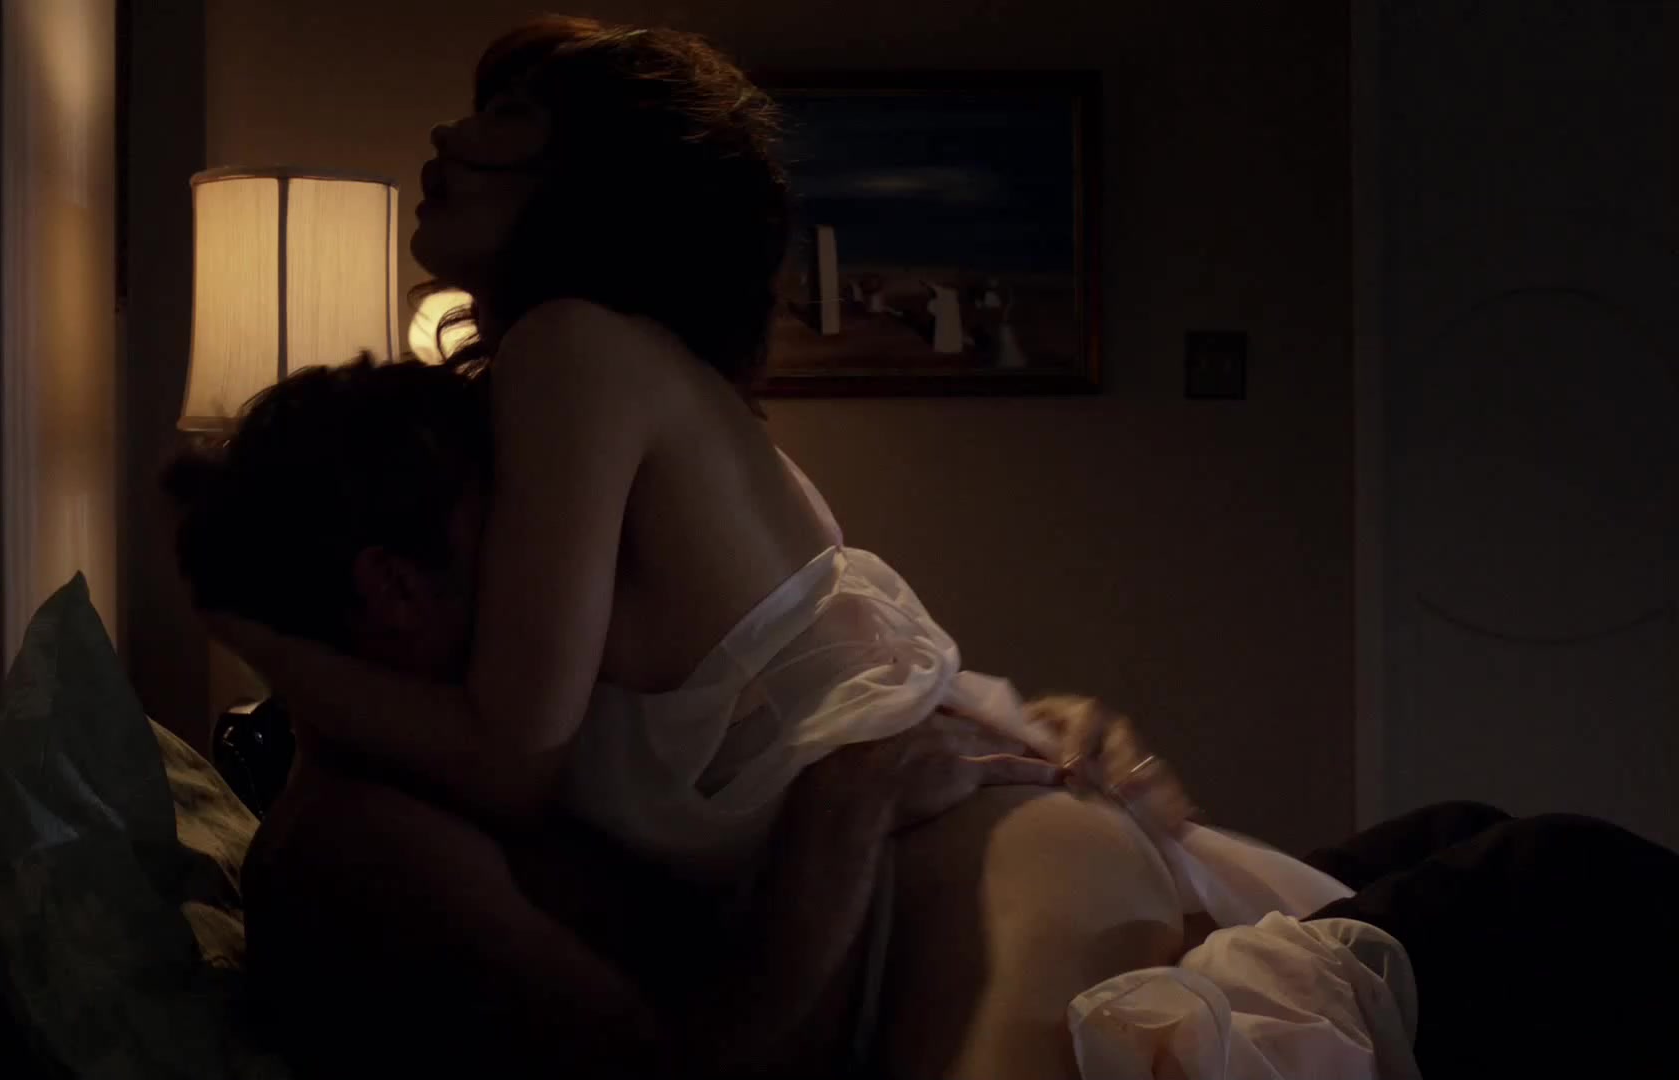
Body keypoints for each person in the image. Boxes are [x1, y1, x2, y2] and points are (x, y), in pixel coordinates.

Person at [173, 358, 1679, 1080]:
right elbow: (684, 1072)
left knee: (1467, 841)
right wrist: (841, 830)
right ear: (391, 588)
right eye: (509, 538)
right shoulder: (369, 845)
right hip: (984, 1026)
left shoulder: (452, 750)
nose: (551, 581)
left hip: (1058, 929)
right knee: (1556, 884)